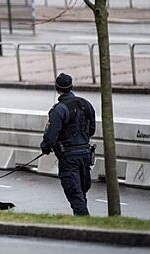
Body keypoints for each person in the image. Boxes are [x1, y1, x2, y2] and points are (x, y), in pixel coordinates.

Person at [40, 73, 96, 216]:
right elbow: (92, 130)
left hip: (68, 157)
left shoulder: (59, 109)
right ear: (71, 86)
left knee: (74, 192)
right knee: (82, 192)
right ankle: (83, 220)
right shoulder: (86, 104)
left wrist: (45, 146)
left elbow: (51, 136)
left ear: (57, 88)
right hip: (85, 154)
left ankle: (85, 225)